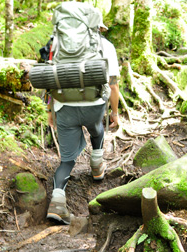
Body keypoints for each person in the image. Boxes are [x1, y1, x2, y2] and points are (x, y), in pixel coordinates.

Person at [46, 19, 120, 225]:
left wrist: (49, 110)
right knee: (97, 130)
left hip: (64, 107)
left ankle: (57, 203)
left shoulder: (59, 43)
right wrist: (115, 113)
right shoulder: (107, 46)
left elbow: (51, 79)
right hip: (94, 106)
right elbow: (113, 85)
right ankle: (97, 165)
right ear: (99, 28)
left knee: (67, 161)